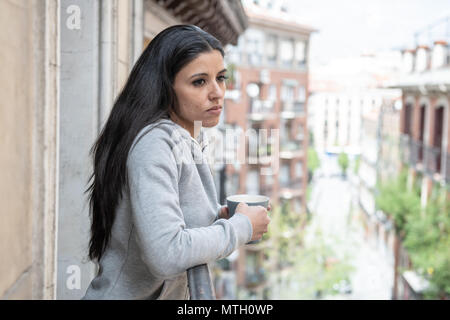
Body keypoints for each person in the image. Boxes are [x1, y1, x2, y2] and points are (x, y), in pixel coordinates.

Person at [82, 25, 271, 300]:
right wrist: (241, 228)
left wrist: (218, 217)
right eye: (199, 81)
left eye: (221, 78)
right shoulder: (155, 143)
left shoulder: (184, 138)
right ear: (165, 86)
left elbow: (171, 218)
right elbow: (167, 253)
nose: (217, 92)